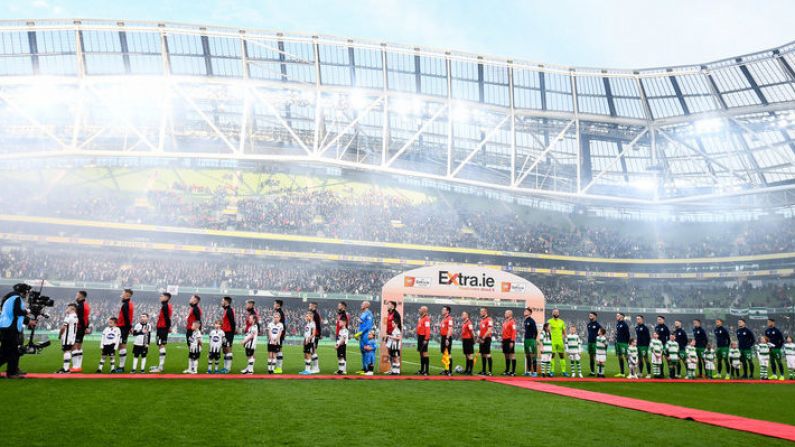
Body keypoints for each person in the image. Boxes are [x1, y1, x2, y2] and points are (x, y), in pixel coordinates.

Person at [1, 284, 35, 378]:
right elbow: (17, 312)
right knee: (12, 351)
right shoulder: (16, 297)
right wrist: (27, 311)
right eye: (27, 291)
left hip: (6, 326)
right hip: (10, 327)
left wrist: (27, 320)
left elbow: (14, 313)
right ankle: (12, 373)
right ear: (23, 291)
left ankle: (13, 370)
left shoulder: (10, 297)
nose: (28, 293)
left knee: (5, 352)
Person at [150, 292, 173, 373]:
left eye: (162, 296)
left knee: (161, 345)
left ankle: (160, 367)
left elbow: (167, 318)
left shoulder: (165, 306)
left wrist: (168, 327)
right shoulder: (166, 306)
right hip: (162, 328)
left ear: (166, 298)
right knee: (160, 345)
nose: (160, 297)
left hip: (162, 329)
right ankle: (160, 365)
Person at [115, 289, 134, 373]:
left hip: (123, 328)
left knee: (122, 346)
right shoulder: (129, 304)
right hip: (124, 327)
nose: (121, 294)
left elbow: (126, 317)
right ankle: (121, 366)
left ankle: (121, 367)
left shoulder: (126, 305)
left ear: (127, 295)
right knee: (121, 346)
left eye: (123, 293)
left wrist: (129, 327)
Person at [55, 303, 78, 374]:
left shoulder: (69, 316)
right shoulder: (76, 316)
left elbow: (63, 327)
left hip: (67, 336)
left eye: (68, 308)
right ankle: (66, 368)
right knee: (68, 351)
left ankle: (65, 369)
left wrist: (60, 335)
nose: (66, 309)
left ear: (72, 308)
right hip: (72, 336)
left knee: (66, 351)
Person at [71, 290, 90, 373]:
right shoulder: (85, 305)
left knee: (75, 346)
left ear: (81, 296)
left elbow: (81, 318)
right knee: (79, 347)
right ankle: (78, 366)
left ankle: (76, 366)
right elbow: (86, 318)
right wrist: (86, 327)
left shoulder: (80, 306)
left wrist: (84, 328)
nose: (76, 296)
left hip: (79, 328)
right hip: (82, 327)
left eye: (77, 294)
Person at [354, 301, 374, 374]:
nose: (361, 305)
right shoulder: (363, 313)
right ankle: (364, 368)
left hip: (366, 335)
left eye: (362, 304)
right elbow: (362, 324)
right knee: (363, 352)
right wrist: (358, 333)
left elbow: (368, 326)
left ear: (366, 305)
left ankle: (369, 369)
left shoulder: (369, 314)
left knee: (367, 351)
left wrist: (360, 332)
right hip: (362, 335)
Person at [547, 308, 568, 377]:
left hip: (560, 342)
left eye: (557, 312)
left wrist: (565, 340)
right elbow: (547, 331)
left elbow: (564, 333)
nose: (556, 313)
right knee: (552, 356)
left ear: (559, 314)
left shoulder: (562, 322)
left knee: (562, 356)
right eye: (554, 312)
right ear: (552, 313)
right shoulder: (549, 321)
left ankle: (564, 371)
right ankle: (552, 371)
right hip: (552, 341)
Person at [219, 296, 236, 374]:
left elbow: (232, 322)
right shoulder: (226, 310)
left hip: (229, 333)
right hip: (225, 333)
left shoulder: (229, 310)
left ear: (226, 302)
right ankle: (225, 368)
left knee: (228, 349)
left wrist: (232, 332)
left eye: (222, 301)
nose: (221, 302)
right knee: (225, 350)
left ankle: (228, 369)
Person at [477, 307, 494, 376]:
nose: (480, 312)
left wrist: (483, 338)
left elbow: (489, 330)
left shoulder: (489, 319)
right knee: (482, 354)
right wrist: (479, 338)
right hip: (482, 338)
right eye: (480, 311)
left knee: (487, 354)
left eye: (481, 311)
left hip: (486, 338)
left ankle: (490, 371)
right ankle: (483, 370)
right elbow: (481, 331)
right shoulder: (481, 320)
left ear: (485, 312)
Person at [415, 306, 431, 376]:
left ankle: (426, 371)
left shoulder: (426, 319)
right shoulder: (421, 318)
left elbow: (427, 329)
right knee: (421, 353)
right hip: (420, 337)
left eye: (420, 309)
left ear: (424, 311)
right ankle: (422, 370)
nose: (419, 310)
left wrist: (426, 339)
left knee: (425, 353)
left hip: (424, 337)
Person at [585, 312, 602, 377]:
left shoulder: (598, 325)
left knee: (597, 357)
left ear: (595, 316)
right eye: (589, 315)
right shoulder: (588, 324)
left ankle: (599, 372)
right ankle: (592, 372)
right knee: (591, 357)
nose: (590, 316)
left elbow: (601, 333)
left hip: (595, 343)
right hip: (590, 342)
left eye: (591, 315)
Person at [522, 308, 538, 377]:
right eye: (524, 311)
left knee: (533, 356)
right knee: (528, 356)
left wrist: (533, 340)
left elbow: (536, 331)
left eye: (526, 311)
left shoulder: (532, 321)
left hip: (531, 340)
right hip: (526, 340)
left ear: (530, 313)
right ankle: (528, 372)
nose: (524, 312)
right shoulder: (525, 321)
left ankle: (535, 372)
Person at [300, 311, 316, 375]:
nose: (306, 317)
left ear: (310, 316)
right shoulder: (308, 323)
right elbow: (306, 333)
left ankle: (308, 370)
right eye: (306, 316)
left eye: (307, 316)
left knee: (308, 354)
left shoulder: (312, 323)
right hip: (306, 340)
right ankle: (306, 369)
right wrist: (304, 340)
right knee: (305, 355)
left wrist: (308, 339)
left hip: (309, 341)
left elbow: (313, 333)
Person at [501, 310, 516, 376]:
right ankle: (507, 370)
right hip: (504, 340)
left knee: (512, 355)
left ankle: (513, 371)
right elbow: (503, 332)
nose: (505, 314)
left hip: (509, 340)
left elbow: (514, 332)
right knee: (506, 355)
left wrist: (512, 341)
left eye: (506, 313)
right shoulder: (505, 321)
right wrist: (502, 341)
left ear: (510, 314)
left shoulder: (512, 322)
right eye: (505, 313)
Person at [614, 313, 630, 378]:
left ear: (622, 317)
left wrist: (627, 343)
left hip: (624, 343)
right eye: (616, 315)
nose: (616, 316)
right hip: (618, 343)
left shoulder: (625, 324)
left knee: (627, 357)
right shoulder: (618, 324)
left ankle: (632, 373)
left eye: (618, 315)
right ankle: (622, 373)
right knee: (620, 357)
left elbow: (627, 335)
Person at [440, 306, 454, 376]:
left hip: (446, 337)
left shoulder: (450, 318)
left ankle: (450, 371)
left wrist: (447, 338)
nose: (442, 310)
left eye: (443, 309)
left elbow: (450, 329)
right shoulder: (443, 319)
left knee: (448, 354)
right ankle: (446, 370)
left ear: (447, 311)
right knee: (444, 354)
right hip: (443, 337)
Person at [335, 302, 348, 374]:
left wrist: (343, 336)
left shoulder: (343, 315)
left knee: (342, 354)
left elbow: (345, 326)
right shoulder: (340, 314)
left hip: (342, 335)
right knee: (340, 354)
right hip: (339, 335)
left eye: (339, 305)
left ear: (343, 306)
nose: (338, 306)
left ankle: (343, 370)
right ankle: (341, 369)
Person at [461, 311, 475, 376]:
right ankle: (467, 369)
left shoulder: (469, 323)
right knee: (466, 355)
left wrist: (473, 339)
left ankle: (470, 371)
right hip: (465, 340)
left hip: (469, 340)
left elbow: (472, 332)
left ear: (467, 315)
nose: (462, 315)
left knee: (470, 355)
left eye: (463, 314)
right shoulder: (464, 322)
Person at [309, 302, 322, 373]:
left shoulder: (316, 315)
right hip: (311, 334)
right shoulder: (311, 314)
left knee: (313, 350)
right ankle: (314, 367)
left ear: (314, 306)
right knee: (311, 350)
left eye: (310, 305)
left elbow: (318, 325)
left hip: (315, 334)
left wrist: (319, 334)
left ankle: (316, 368)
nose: (309, 306)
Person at [273, 300, 286, 374]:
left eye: (274, 303)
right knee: (278, 350)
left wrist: (279, 335)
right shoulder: (278, 312)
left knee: (278, 350)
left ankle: (279, 368)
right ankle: (278, 367)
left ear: (278, 304)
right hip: (278, 334)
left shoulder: (279, 313)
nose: (273, 305)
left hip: (279, 334)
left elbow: (281, 325)